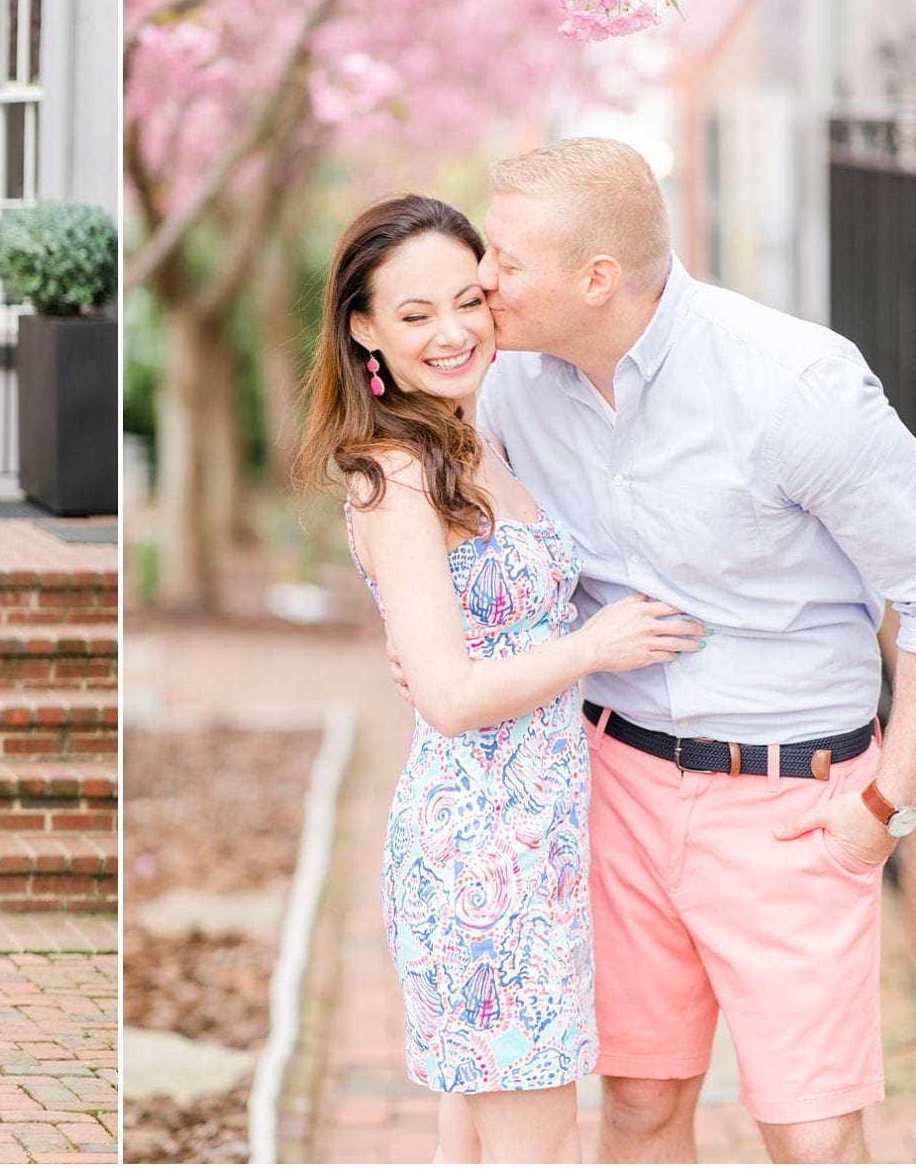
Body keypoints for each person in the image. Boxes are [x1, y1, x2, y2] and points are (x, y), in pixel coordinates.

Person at [402, 136, 916, 1163]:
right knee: (637, 1105)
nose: (481, 280)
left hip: (793, 802)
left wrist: (884, 806)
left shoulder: (793, 384)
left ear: (597, 279)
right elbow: (449, 528)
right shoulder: (514, 389)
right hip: (614, 782)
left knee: (809, 1132)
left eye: (504, 259)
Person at [293, 194, 707, 1163]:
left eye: (467, 299)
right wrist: (590, 646)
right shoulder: (395, 473)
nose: (451, 331)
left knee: (474, 1143)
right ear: (364, 329)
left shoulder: (480, 441)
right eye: (413, 314)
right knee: (538, 1143)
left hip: (540, 833)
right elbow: (447, 693)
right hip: (482, 855)